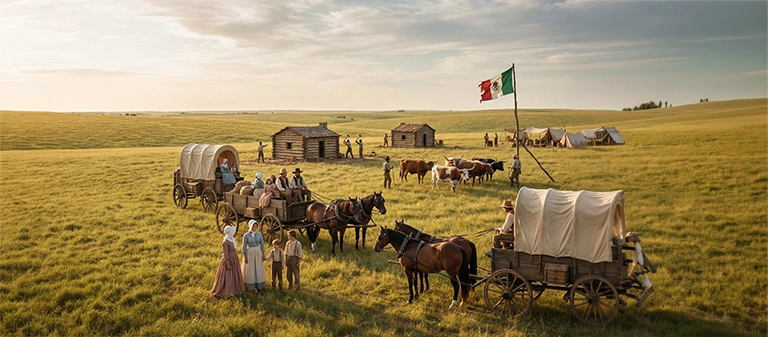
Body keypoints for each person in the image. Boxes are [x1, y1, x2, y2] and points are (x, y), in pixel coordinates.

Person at [211, 225, 245, 298]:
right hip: (229, 259)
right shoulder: (225, 242)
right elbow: (225, 254)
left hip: (234, 258)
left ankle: (235, 289)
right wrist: (228, 263)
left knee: (235, 274)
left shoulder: (231, 239)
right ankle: (227, 291)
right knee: (228, 275)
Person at [242, 220, 268, 292]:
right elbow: (244, 247)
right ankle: (251, 286)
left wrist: (263, 254)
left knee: (258, 268)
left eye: (256, 226)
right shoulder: (246, 235)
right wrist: (245, 256)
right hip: (250, 252)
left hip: (257, 252)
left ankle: (259, 285)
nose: (255, 228)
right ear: (251, 226)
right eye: (254, 226)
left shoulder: (259, 234)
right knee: (251, 269)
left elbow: (262, 244)